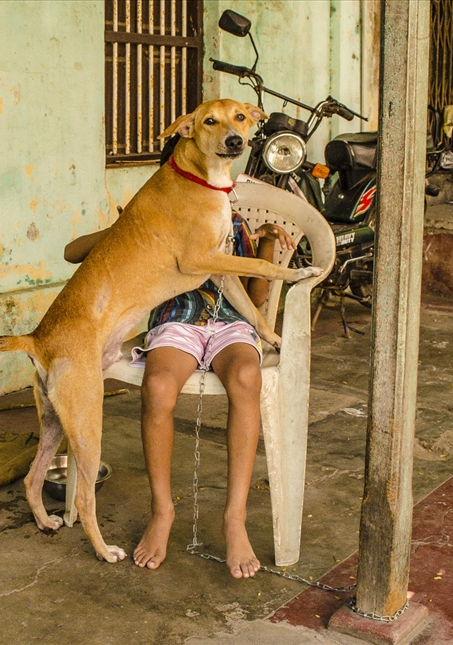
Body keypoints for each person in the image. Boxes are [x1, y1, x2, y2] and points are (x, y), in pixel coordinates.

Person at [63, 213, 294, 579]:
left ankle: (235, 518)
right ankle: (162, 510)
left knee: (247, 377)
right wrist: (128, 228)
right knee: (157, 388)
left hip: (232, 325)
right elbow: (71, 252)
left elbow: (257, 296)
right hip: (177, 322)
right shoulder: (158, 217)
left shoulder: (231, 222)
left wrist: (263, 241)